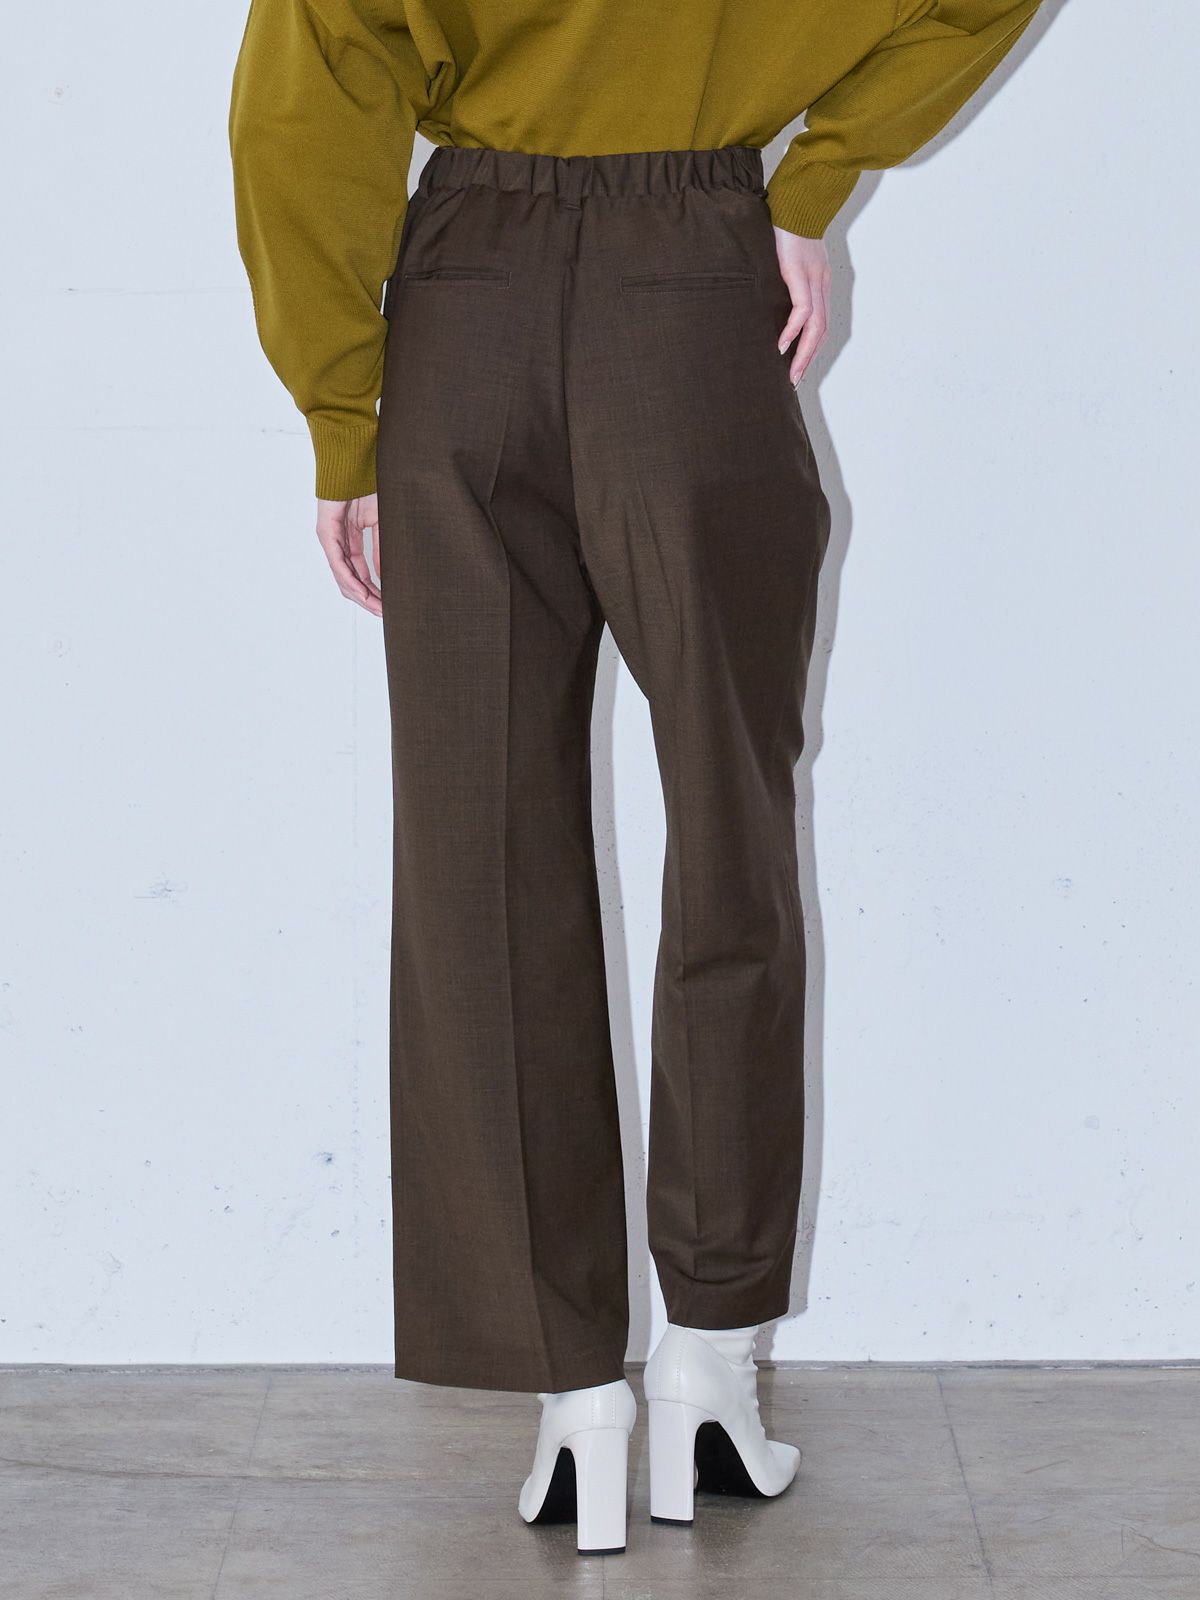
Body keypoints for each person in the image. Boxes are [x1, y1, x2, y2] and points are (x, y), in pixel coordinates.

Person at [229, 0, 1044, 1556]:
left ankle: (571, 1404)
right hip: (696, 288)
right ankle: (709, 1369)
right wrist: (812, 181)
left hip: (464, 299)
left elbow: (303, 96)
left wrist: (341, 408)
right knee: (733, 825)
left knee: (481, 863)